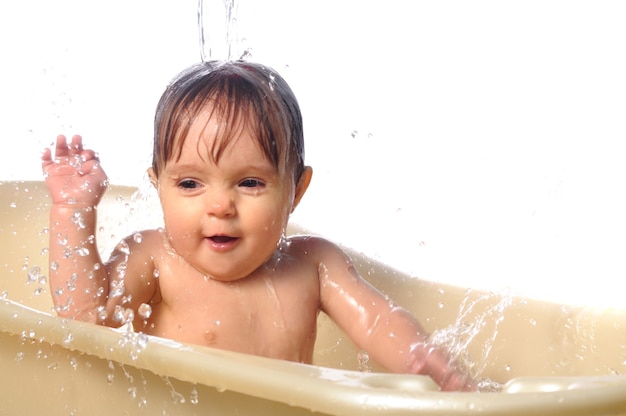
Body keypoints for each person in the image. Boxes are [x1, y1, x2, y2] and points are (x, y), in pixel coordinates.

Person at [41, 60, 475, 391]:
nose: (220, 205)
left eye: (250, 182)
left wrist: (420, 359)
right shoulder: (154, 257)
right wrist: (72, 212)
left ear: (295, 191)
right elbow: (84, 318)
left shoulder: (313, 265)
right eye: (189, 183)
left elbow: (379, 322)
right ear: (158, 186)